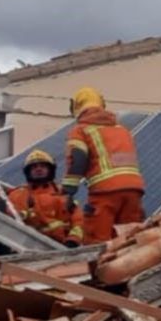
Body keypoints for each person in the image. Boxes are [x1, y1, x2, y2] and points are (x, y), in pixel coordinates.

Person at [61, 86, 145, 244]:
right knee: (129, 240)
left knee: (98, 242)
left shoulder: (81, 130)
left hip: (105, 193)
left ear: (76, 107)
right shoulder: (122, 130)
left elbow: (78, 158)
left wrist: (68, 191)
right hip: (134, 191)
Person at [6, 150, 82, 245]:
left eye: (43, 166)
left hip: (61, 246)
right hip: (28, 244)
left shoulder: (63, 194)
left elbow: (79, 221)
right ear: (28, 172)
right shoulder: (17, 194)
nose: (38, 169)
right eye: (34, 167)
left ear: (50, 170)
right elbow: (10, 219)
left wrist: (73, 240)